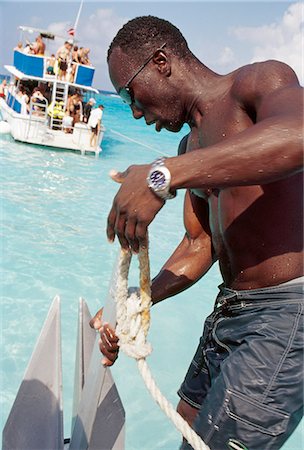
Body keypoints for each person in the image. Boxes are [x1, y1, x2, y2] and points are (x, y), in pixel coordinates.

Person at [90, 16, 303, 450]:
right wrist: (134, 301)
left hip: (287, 313)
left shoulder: (258, 82)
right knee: (189, 429)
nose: (133, 111)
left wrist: (161, 175)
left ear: (161, 62)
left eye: (130, 93)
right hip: (231, 309)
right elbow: (199, 243)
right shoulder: (191, 146)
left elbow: (299, 136)